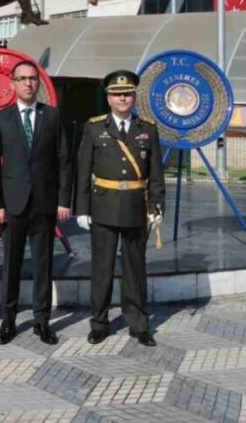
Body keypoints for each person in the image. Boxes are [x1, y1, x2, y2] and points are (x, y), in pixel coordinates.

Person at [75, 71, 165, 347]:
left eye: (126, 94)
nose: (122, 98)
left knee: (135, 269)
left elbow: (156, 173)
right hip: (103, 207)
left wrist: (156, 206)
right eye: (116, 94)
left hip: (136, 208)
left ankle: (138, 324)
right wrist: (82, 208)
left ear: (134, 97)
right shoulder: (94, 127)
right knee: (102, 268)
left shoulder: (147, 128)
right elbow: (83, 170)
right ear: (109, 98)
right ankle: (99, 323)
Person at [0, 60, 72, 346]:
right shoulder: (2, 119)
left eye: (32, 79)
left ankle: (42, 321)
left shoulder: (53, 117)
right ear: (12, 83)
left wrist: (63, 200)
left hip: (45, 206)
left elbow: (64, 161)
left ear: (38, 83)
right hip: (12, 206)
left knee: (42, 265)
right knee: (10, 266)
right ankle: (8, 321)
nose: (27, 83)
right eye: (22, 78)